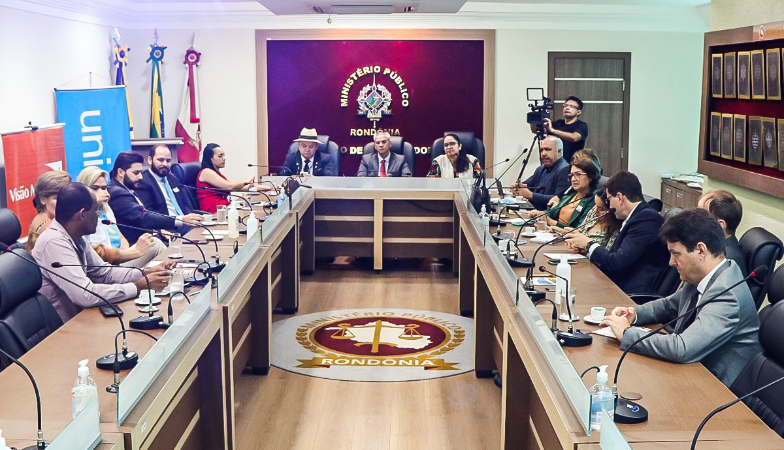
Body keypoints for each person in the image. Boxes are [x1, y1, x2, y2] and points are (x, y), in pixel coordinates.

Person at [601, 208, 762, 387]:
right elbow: (670, 305)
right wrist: (634, 314)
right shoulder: (703, 274)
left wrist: (627, 334)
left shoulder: (727, 294)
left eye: (676, 254)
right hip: (693, 370)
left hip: (717, 388)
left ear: (701, 250)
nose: (671, 262)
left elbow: (682, 348)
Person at [32, 182, 173, 323]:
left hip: (85, 318)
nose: (98, 214)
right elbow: (85, 294)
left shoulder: (75, 237)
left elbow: (104, 272)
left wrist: (145, 273)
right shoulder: (54, 242)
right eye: (96, 209)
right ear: (82, 214)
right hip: (66, 328)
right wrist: (137, 286)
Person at [563, 171, 669, 294]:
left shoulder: (646, 219)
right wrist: (586, 250)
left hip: (629, 294)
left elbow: (617, 264)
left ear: (619, 197)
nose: (609, 205)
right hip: (617, 285)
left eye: (608, 200)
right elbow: (614, 257)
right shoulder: (635, 217)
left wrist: (589, 244)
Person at [77, 166, 167, 267]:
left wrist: (127, 254)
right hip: (105, 264)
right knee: (156, 245)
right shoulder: (83, 216)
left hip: (121, 257)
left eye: (104, 188)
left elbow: (119, 234)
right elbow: (91, 253)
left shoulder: (106, 209)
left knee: (153, 242)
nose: (103, 192)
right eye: (95, 188)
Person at [108, 151, 200, 244]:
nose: (141, 177)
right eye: (136, 173)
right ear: (120, 172)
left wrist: (159, 231)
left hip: (155, 237)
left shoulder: (128, 187)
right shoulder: (117, 192)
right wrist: (180, 220)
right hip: (139, 245)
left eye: (141, 172)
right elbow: (143, 218)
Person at [197, 143, 274, 213]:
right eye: (220, 156)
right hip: (215, 212)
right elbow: (230, 187)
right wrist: (247, 180)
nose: (224, 158)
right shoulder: (206, 172)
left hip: (224, 209)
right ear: (210, 159)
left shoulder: (217, 174)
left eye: (224, 155)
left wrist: (271, 187)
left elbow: (240, 187)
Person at [135, 144, 205, 222]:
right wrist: (180, 220)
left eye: (168, 161)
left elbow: (184, 204)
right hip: (167, 227)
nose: (165, 164)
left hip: (186, 223)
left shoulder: (172, 178)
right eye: (160, 160)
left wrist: (192, 218)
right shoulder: (143, 182)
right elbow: (150, 214)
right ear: (150, 160)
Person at [539, 150, 600, 228]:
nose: (573, 179)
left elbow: (580, 229)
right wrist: (540, 214)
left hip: (567, 238)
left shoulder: (593, 200)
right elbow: (552, 212)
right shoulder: (571, 192)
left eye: (578, 174)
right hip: (552, 233)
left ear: (591, 175)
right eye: (572, 175)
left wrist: (552, 223)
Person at [511, 135, 570, 211]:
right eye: (541, 150)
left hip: (547, 216)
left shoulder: (565, 170)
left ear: (559, 151)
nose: (543, 153)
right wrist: (519, 187)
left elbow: (558, 200)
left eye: (547, 150)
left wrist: (530, 195)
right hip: (533, 212)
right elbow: (527, 184)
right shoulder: (541, 169)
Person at [697, 190, 748, 277]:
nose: (695, 219)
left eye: (701, 215)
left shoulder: (727, 261)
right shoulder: (713, 248)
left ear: (720, 225)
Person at [555, 187, 622, 250]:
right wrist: (564, 233)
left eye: (601, 208)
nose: (595, 210)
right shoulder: (594, 211)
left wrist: (587, 250)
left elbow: (607, 256)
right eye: (595, 205)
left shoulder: (618, 228)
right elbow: (580, 232)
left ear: (612, 209)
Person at [530, 95, 588, 162]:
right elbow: (536, 130)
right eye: (565, 106)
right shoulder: (558, 123)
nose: (567, 108)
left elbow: (574, 137)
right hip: (555, 164)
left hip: (573, 163)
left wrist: (552, 130)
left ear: (578, 112)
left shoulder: (581, 125)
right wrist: (534, 119)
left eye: (572, 106)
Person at [26, 170, 71, 252]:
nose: (64, 202)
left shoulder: (45, 217)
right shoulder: (49, 228)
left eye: (67, 197)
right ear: (43, 199)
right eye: (57, 198)